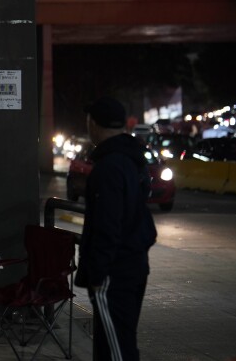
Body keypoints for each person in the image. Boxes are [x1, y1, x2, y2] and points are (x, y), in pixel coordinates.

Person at [74, 96, 157, 361]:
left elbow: (107, 226)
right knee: (118, 342)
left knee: (116, 349)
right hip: (132, 266)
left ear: (94, 124)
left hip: (114, 273)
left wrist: (97, 274)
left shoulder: (109, 167)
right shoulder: (132, 160)